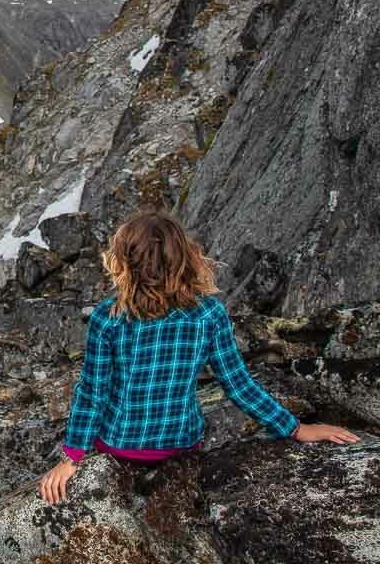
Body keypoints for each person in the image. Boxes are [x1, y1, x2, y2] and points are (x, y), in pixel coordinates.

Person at [39, 211, 360, 505]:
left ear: (124, 265)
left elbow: (93, 393)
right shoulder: (209, 314)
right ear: (185, 258)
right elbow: (238, 384)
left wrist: (73, 457)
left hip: (119, 445)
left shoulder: (108, 317)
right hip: (180, 443)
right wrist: (296, 429)